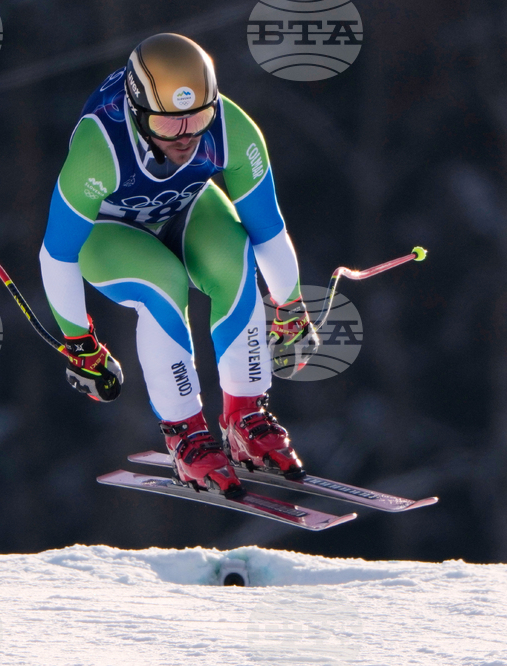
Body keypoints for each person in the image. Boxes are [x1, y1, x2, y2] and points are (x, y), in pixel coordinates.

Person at [38, 33, 319, 497]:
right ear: (136, 110)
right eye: (169, 126)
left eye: (198, 119)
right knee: (164, 284)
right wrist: (78, 342)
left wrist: (289, 308)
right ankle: (186, 436)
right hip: (109, 230)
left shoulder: (231, 128)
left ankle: (245, 417)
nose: (187, 137)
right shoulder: (100, 145)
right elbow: (56, 254)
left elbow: (269, 230)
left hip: (185, 206)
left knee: (235, 258)